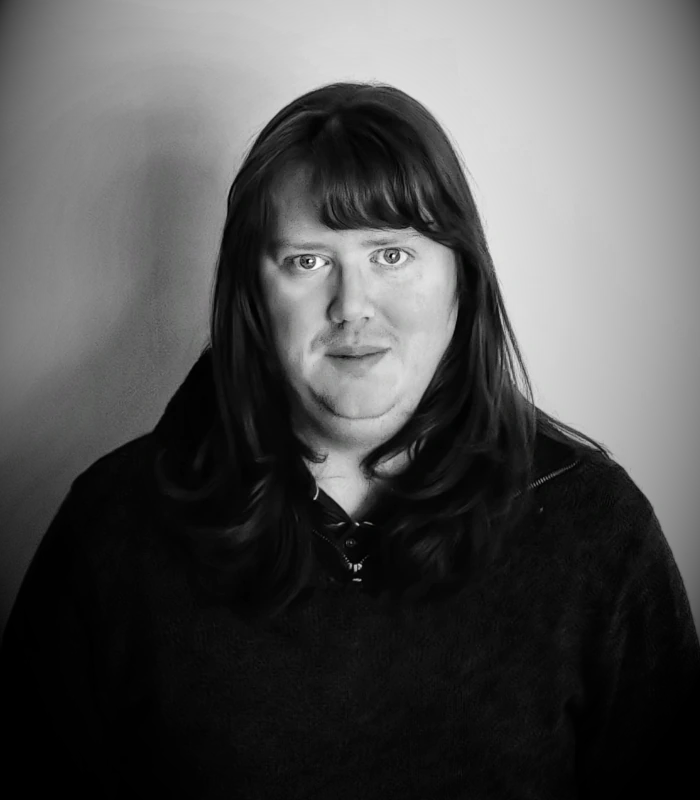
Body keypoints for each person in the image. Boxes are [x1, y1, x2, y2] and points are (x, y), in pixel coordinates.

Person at [1, 81, 698, 800]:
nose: (352, 307)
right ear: (253, 295)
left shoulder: (595, 530)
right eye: (307, 261)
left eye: (391, 255)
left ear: (463, 277)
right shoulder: (114, 530)